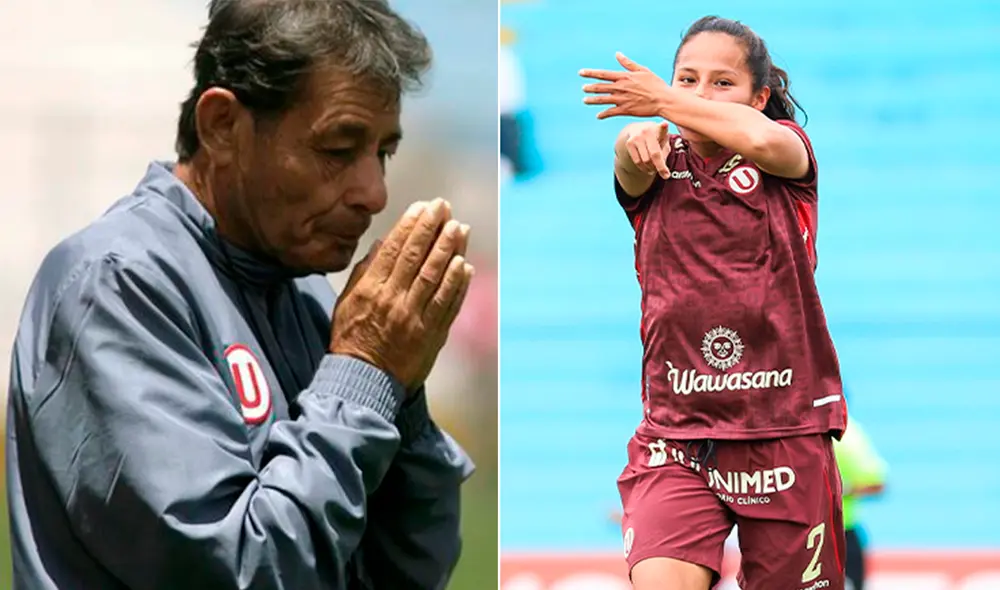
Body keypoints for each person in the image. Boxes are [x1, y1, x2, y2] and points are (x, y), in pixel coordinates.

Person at [6, 1, 478, 588]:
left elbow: (408, 569)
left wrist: (398, 395)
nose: (374, 193)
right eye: (338, 150)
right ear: (222, 126)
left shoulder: (304, 290)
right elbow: (240, 573)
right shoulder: (115, 284)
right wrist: (365, 375)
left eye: (382, 152)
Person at [580, 16, 848, 590]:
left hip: (784, 428)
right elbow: (626, 162)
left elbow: (758, 138)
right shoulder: (656, 159)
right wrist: (632, 139)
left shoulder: (787, 153)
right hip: (678, 436)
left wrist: (663, 99)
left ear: (761, 95)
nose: (699, 94)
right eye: (688, 79)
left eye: (722, 83)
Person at [835, 415, 888, 590]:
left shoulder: (847, 439)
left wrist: (838, 490)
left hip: (839, 533)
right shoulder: (850, 435)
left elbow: (877, 484)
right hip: (836, 533)